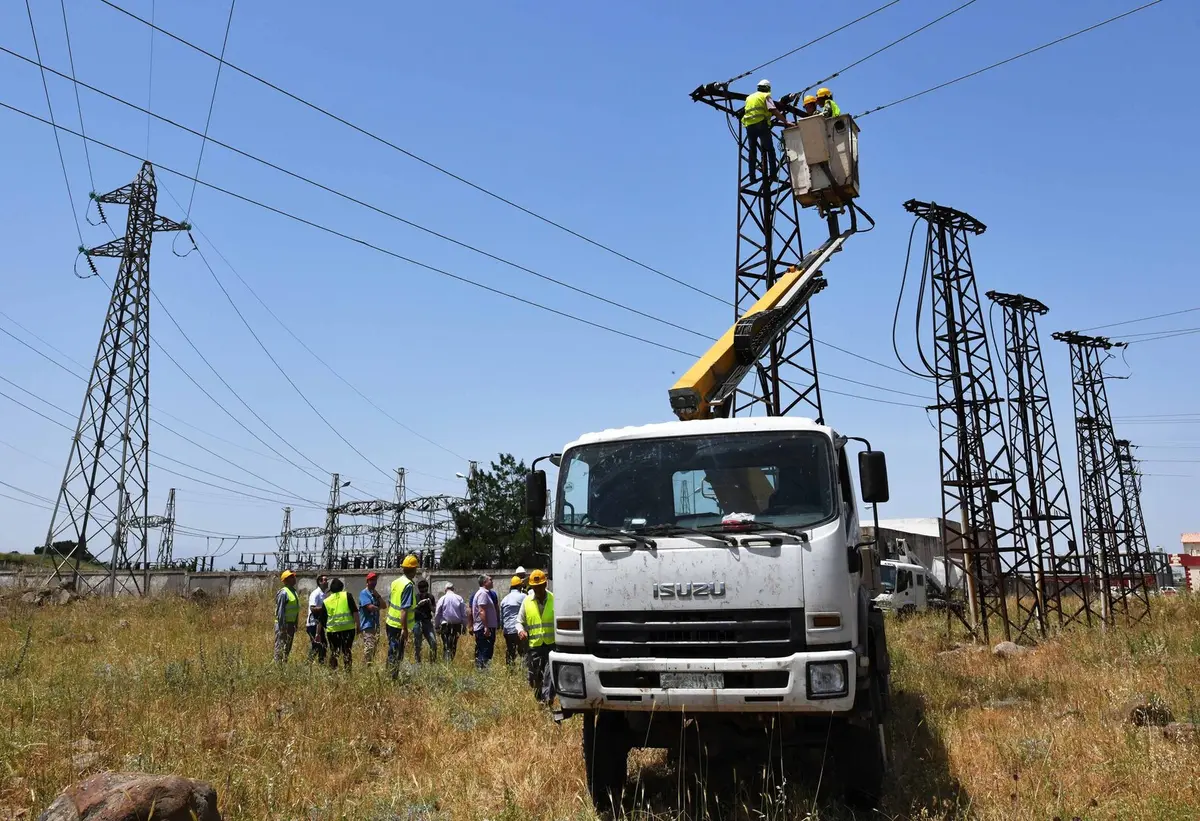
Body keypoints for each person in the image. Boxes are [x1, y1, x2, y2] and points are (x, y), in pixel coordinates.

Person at [518, 569, 555, 703]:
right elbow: (519, 621)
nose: (538, 589)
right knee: (535, 675)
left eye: (540, 586)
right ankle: (539, 697)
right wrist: (521, 631)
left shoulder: (554, 599)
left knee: (550, 673)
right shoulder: (527, 601)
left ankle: (547, 700)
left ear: (545, 584)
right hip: (535, 645)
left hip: (551, 644)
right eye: (535, 587)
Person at [742, 78, 788, 183]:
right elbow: (773, 110)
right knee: (770, 150)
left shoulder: (749, 98)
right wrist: (785, 121)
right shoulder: (765, 96)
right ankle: (773, 175)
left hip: (749, 126)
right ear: (767, 88)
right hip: (761, 125)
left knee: (752, 152)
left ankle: (752, 177)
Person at [385, 554, 419, 678]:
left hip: (390, 622)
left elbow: (390, 602)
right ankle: (392, 677)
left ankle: (389, 675)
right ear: (414, 570)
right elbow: (404, 609)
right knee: (397, 653)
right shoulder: (408, 585)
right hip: (399, 625)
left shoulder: (396, 582)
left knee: (392, 651)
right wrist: (404, 629)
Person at [323, 577, 359, 672]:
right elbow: (355, 612)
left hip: (333, 631)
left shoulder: (326, 601)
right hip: (348, 629)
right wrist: (358, 626)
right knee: (347, 651)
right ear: (342, 587)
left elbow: (322, 619)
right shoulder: (347, 595)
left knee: (334, 652)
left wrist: (321, 631)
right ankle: (348, 672)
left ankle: (333, 672)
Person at [434, 582, 467, 661]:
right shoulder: (459, 598)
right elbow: (464, 614)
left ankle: (446, 661)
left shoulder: (442, 598)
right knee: (454, 644)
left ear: (445, 590)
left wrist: (436, 626)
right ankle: (451, 659)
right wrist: (464, 626)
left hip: (445, 625)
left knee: (446, 644)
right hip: (457, 625)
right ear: (453, 589)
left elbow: (437, 613)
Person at [471, 574, 498, 669]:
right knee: (485, 652)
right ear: (484, 582)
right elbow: (482, 611)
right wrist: (486, 627)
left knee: (483, 651)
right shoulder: (483, 594)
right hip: (484, 628)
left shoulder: (486, 593)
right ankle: (483, 672)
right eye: (490, 580)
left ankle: (481, 671)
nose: (492, 581)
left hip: (485, 627)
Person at [500, 576, 528, 666]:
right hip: (519, 630)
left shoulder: (504, 599)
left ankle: (510, 669)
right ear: (520, 586)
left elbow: (501, 618)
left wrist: (503, 627)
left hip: (507, 630)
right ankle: (524, 669)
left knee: (510, 651)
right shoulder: (523, 596)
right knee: (523, 652)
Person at [274, 570, 300, 664]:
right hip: (283, 625)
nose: (294, 578)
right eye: (291, 577)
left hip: (291, 624)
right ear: (286, 580)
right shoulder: (283, 593)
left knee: (287, 648)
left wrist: (295, 623)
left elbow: (295, 609)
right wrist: (282, 627)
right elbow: (280, 611)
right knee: (280, 647)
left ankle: (284, 665)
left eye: (294, 576)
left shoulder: (294, 592)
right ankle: (278, 666)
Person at [358, 572, 384, 666]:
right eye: (372, 580)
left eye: (375, 580)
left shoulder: (375, 594)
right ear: (367, 581)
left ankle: (369, 666)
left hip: (375, 625)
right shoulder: (364, 593)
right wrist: (378, 607)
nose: (374, 582)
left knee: (374, 649)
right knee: (369, 648)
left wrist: (378, 596)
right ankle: (365, 667)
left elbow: (384, 605)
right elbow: (370, 607)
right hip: (367, 625)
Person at [306, 573, 329, 664]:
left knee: (322, 645)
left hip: (319, 624)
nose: (327, 582)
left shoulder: (323, 594)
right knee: (318, 645)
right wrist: (325, 609)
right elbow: (312, 608)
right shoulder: (315, 594)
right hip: (313, 623)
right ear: (320, 582)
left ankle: (320, 663)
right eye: (325, 580)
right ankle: (309, 663)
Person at [413, 578, 438, 663]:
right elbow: (411, 610)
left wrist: (430, 605)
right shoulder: (415, 597)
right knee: (417, 644)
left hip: (427, 622)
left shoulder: (430, 597)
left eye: (425, 590)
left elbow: (434, 611)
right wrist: (418, 605)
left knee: (433, 642)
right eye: (422, 591)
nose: (424, 593)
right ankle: (418, 662)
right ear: (419, 590)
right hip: (417, 622)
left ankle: (433, 662)